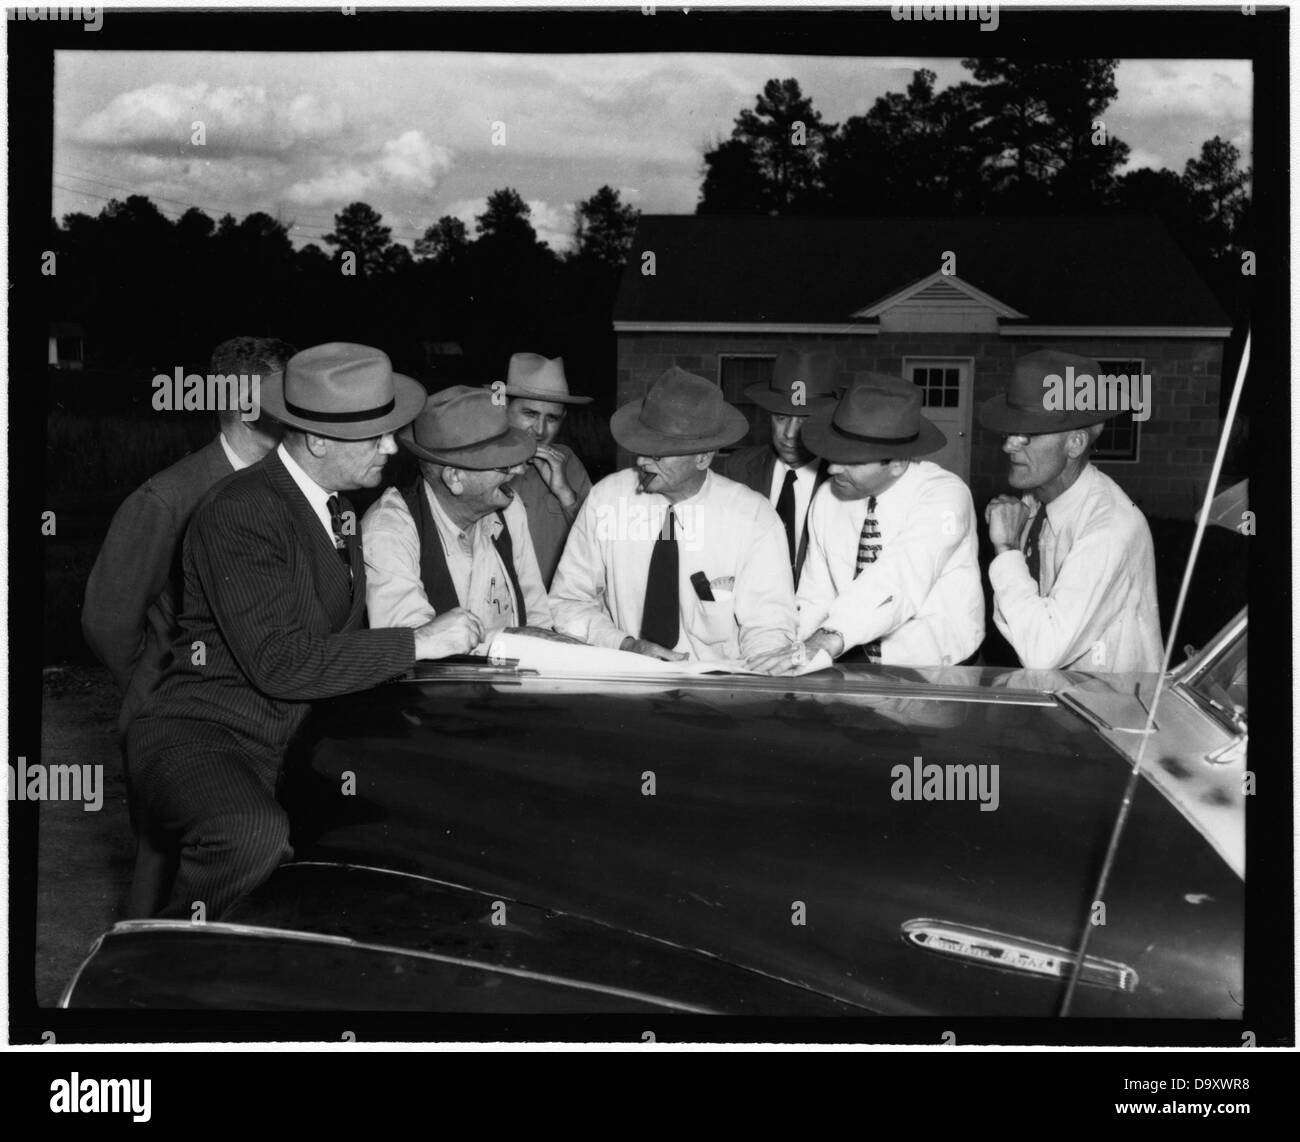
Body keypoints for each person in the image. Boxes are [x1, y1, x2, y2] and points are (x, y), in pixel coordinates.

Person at [126, 342, 451, 921]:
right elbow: (280, 661)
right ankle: (170, 974)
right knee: (251, 835)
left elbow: (334, 639)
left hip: (297, 742)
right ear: (318, 440)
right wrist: (420, 641)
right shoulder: (242, 509)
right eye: (375, 434)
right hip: (207, 737)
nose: (391, 446)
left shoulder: (336, 507)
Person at [82, 336, 296, 735]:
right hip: (176, 722)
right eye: (289, 401)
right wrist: (157, 682)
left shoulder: (293, 487)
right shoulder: (166, 500)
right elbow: (107, 622)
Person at [550, 366, 796, 663]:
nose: (641, 460)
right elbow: (567, 602)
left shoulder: (754, 519)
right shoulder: (607, 500)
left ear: (703, 457)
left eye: (657, 453)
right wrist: (624, 645)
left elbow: (768, 627)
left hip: (715, 697)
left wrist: (755, 681)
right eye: (641, 448)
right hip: (624, 680)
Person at [748, 374, 984, 674]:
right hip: (853, 669)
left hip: (938, 676)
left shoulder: (946, 495)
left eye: (853, 460)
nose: (833, 468)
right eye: (834, 455)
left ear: (897, 462)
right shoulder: (828, 497)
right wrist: (789, 654)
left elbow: (899, 577)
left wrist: (824, 641)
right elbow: (815, 596)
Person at [979, 349, 1163, 673]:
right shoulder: (1038, 500)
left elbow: (1042, 651)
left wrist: (1007, 549)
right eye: (1010, 432)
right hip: (1061, 701)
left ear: (1075, 443)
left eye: (1029, 436)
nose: (1009, 445)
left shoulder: (1108, 530)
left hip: (1112, 711)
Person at [362, 385, 552, 651]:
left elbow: (536, 614)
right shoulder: (387, 530)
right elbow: (413, 645)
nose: (520, 469)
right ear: (455, 478)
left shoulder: (510, 508)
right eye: (504, 465)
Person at [716, 349, 836, 587]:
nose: (789, 434)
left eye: (804, 421)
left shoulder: (843, 480)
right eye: (781, 418)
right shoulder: (738, 469)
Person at [500, 353, 594, 588]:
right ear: (504, 407)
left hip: (553, 610)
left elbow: (598, 545)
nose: (540, 430)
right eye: (530, 414)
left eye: (552, 418)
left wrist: (565, 494)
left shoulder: (568, 462)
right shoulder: (476, 462)